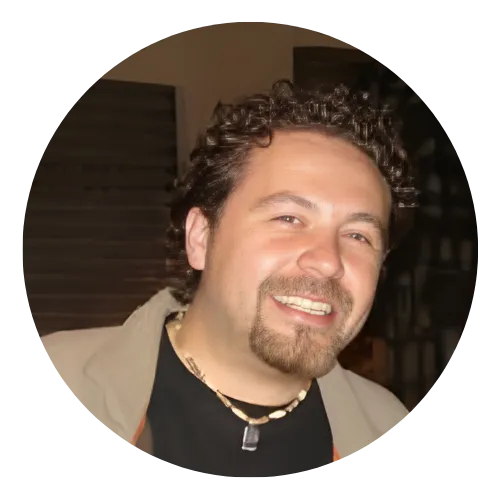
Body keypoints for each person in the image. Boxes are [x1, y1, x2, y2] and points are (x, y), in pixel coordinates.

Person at [40, 79, 417, 479]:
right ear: (200, 238)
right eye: (288, 218)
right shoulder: (64, 375)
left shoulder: (386, 424)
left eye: (359, 236)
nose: (328, 261)